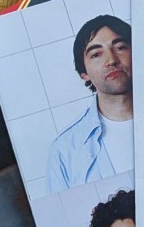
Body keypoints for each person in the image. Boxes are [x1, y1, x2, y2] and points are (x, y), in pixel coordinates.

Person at [47, 15, 134, 193]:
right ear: (84, 74)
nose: (111, 60)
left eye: (120, 47)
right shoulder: (64, 150)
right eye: (96, 54)